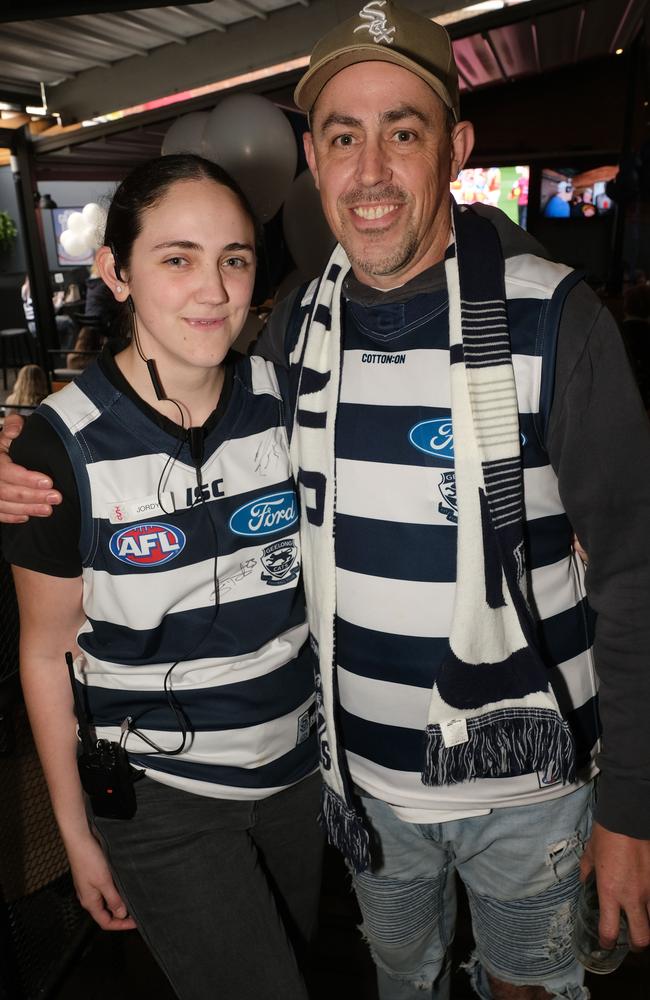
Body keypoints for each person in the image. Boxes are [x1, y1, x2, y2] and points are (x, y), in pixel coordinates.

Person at [2, 4, 650, 999]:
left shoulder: (554, 320)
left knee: (527, 988)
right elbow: (164, 407)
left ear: (455, 148)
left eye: (403, 130)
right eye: (343, 137)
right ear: (312, 157)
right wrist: (23, 445)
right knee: (400, 977)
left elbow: (634, 577)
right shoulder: (297, 327)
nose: (372, 168)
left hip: (527, 786)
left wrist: (630, 811)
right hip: (355, 788)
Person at [2, 154, 322, 1000]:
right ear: (115, 271)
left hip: (298, 772)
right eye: (176, 259)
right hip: (160, 794)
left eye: (235, 258)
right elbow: (46, 654)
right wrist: (75, 834)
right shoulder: (57, 446)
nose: (213, 289)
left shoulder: (291, 401)